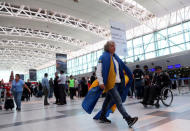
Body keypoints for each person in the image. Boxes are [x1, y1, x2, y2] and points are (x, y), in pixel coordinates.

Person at [96, 41, 138, 127]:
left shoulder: (116, 58)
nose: (114, 48)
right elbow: (98, 70)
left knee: (107, 100)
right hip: (110, 83)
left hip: (118, 83)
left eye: (114, 46)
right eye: (112, 46)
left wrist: (130, 74)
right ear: (107, 48)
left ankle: (102, 116)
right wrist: (100, 82)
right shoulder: (103, 57)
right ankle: (128, 119)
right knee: (118, 101)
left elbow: (123, 66)